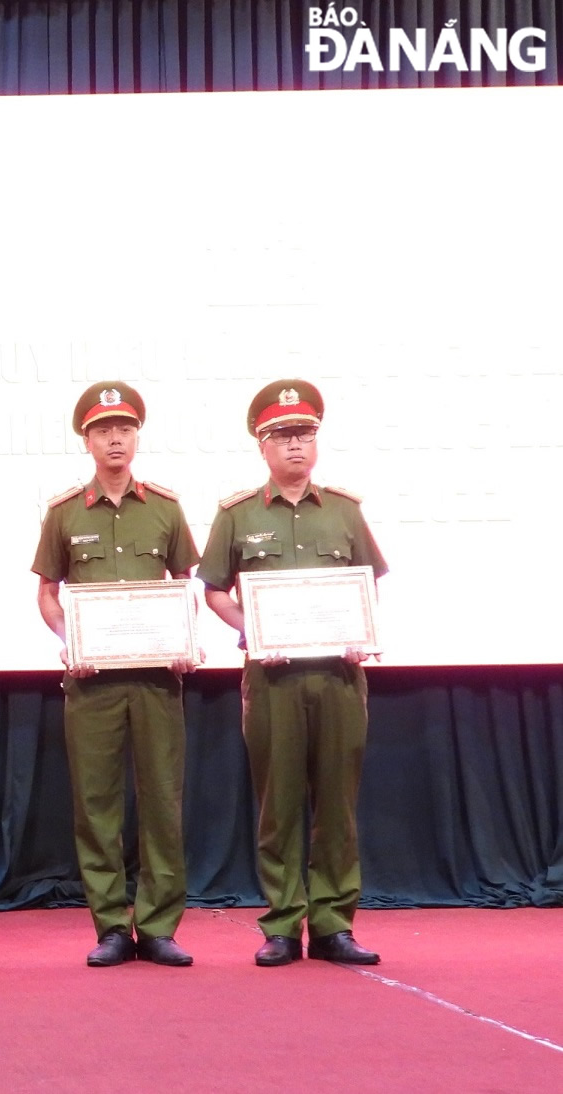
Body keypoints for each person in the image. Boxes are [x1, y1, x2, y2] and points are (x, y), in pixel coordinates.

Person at [198, 380, 386, 967]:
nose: (295, 445)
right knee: (277, 805)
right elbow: (213, 591)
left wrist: (358, 632)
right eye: (282, 436)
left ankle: (333, 924)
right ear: (262, 447)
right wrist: (251, 629)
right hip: (273, 680)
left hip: (336, 677)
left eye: (304, 434)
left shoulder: (347, 512)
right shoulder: (237, 515)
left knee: (336, 805)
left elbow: (368, 584)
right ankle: (281, 923)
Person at [31, 381, 200, 969]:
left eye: (124, 429)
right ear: (87, 440)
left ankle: (157, 926)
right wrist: (68, 638)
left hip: (157, 680)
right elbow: (48, 596)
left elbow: (184, 587)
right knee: (97, 805)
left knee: (161, 801)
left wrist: (184, 639)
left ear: (137, 436)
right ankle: (109, 924)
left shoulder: (166, 508)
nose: (115, 439)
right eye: (103, 430)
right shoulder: (62, 514)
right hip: (92, 682)